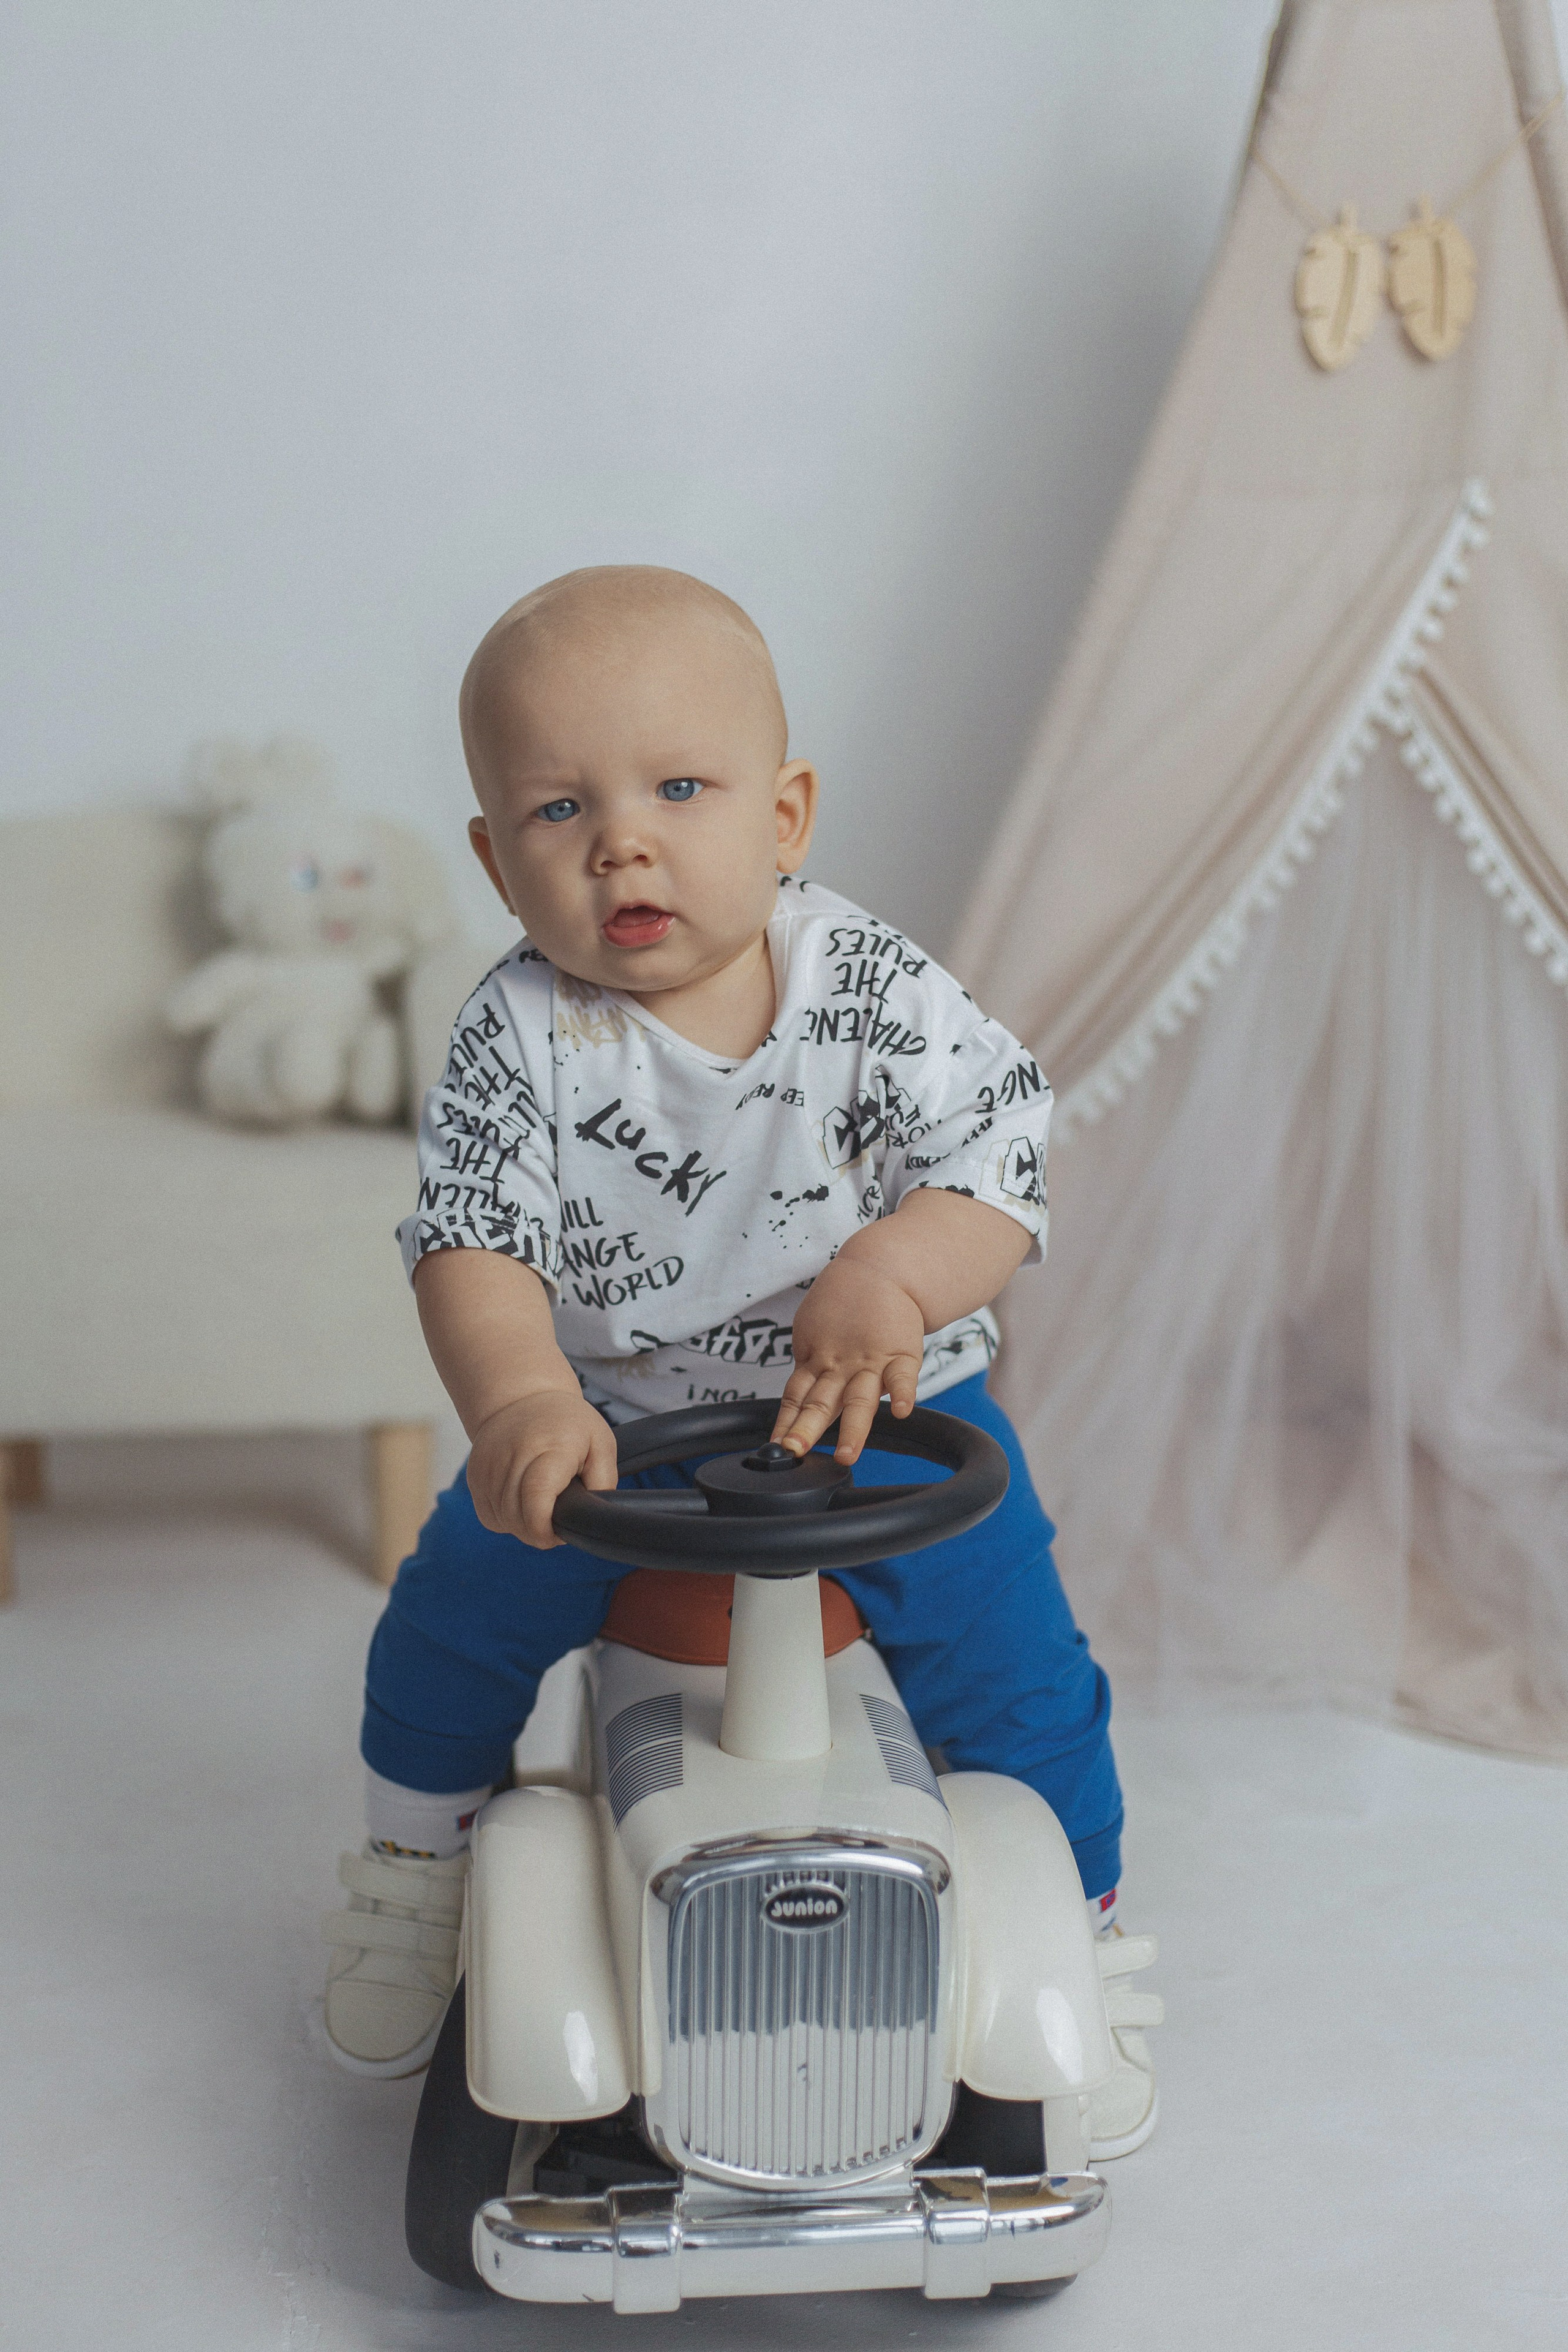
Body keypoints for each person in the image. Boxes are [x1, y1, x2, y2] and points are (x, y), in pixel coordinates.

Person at [320, 565, 1159, 2157]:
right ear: (499, 861)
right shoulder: (521, 1033)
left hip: (895, 1416)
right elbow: (472, 1242)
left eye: (679, 789)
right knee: (446, 1627)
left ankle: (1092, 1937)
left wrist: (895, 1269)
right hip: (618, 1433)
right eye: (560, 809)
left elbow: (1003, 1163)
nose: (621, 840)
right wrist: (519, 1397)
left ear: (785, 817)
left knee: (1024, 1681)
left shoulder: (870, 989)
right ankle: (413, 1876)